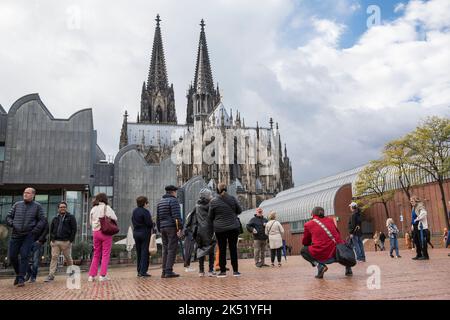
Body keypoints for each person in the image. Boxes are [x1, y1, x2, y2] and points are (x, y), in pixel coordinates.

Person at [6, 187, 47, 287]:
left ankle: (21, 278)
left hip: (28, 235)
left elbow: (42, 220)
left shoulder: (37, 206)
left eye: (28, 193)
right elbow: (8, 217)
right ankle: (20, 273)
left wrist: (34, 231)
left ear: (33, 195)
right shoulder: (17, 204)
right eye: (24, 192)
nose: (25, 194)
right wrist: (13, 224)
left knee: (24, 255)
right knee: (12, 256)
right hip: (16, 234)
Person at [301, 206, 352, 279]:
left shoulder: (308, 224)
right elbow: (337, 233)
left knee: (303, 251)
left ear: (312, 214)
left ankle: (320, 266)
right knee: (343, 244)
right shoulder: (330, 220)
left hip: (322, 253)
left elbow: (305, 242)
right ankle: (348, 269)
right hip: (338, 253)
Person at [209, 182, 242, 277]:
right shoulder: (232, 199)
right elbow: (239, 210)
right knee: (233, 249)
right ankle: (235, 271)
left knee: (222, 249)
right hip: (233, 227)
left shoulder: (213, 201)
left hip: (220, 229)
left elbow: (210, 216)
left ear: (217, 190)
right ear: (226, 189)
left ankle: (222, 271)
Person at [88, 193, 118, 281]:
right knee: (105, 254)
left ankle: (91, 275)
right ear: (105, 199)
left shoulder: (93, 209)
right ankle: (102, 275)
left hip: (95, 233)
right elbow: (115, 218)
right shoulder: (107, 207)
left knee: (96, 254)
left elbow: (90, 222)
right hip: (105, 232)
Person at [45, 201, 77, 282]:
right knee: (54, 258)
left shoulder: (71, 217)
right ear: (58, 209)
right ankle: (51, 275)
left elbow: (74, 229)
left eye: (64, 207)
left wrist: (70, 241)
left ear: (66, 208)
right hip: (55, 242)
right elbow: (51, 230)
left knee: (68, 258)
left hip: (66, 242)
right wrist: (52, 240)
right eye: (61, 207)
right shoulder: (55, 218)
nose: (62, 208)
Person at [186, 188, 216, 277]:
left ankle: (201, 271)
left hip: (199, 231)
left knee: (200, 250)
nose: (211, 196)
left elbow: (191, 218)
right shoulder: (211, 205)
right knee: (211, 250)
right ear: (207, 197)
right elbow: (213, 217)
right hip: (209, 230)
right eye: (210, 195)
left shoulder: (197, 206)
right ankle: (210, 270)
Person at [157, 185, 182, 278]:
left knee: (165, 249)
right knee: (172, 249)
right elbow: (176, 216)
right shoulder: (174, 201)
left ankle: (164, 271)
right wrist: (179, 228)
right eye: (176, 191)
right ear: (173, 192)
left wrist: (159, 228)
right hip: (171, 227)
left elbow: (158, 217)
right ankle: (168, 271)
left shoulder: (160, 202)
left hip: (163, 228)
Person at [132, 196, 153, 278]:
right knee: (144, 252)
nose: (147, 204)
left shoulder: (134, 211)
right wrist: (152, 222)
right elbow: (149, 224)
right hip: (144, 233)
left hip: (136, 233)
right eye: (147, 202)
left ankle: (139, 270)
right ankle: (143, 272)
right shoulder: (145, 212)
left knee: (139, 252)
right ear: (144, 203)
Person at [25, 216, 49, 283]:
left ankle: (33, 277)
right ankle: (29, 273)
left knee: (35, 261)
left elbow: (46, 230)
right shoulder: (29, 216)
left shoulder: (43, 218)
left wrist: (40, 240)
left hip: (37, 242)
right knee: (24, 259)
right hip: (27, 242)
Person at [410, 195, 429, 260]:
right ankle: (419, 254)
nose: (411, 202)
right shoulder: (413, 208)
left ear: (416, 200)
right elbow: (413, 217)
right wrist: (412, 224)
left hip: (421, 227)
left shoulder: (420, 206)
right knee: (416, 241)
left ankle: (425, 255)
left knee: (422, 241)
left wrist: (417, 219)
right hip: (415, 226)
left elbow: (424, 213)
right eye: (410, 201)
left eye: (412, 201)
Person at [183, 208, 197, 273]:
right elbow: (189, 224)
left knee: (188, 250)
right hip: (190, 233)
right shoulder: (193, 214)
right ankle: (186, 267)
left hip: (188, 233)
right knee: (188, 250)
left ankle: (187, 266)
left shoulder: (190, 214)